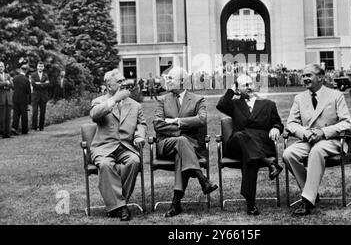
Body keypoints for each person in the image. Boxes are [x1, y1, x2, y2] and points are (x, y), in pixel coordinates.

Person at [282, 64, 351, 216]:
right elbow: (291, 123)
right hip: (309, 139)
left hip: (331, 141)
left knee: (317, 150)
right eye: (304, 75)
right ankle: (311, 190)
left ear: (320, 77)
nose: (305, 78)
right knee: (288, 153)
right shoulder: (299, 98)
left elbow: (346, 123)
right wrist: (305, 132)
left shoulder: (335, 95)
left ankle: (307, 200)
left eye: (309, 75)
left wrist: (323, 132)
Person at [153, 67, 217, 218]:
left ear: (182, 81)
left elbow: (202, 120)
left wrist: (177, 121)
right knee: (182, 140)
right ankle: (202, 179)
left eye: (170, 78)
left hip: (188, 147)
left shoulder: (197, 99)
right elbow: (157, 124)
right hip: (166, 143)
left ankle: (176, 203)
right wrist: (181, 128)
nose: (167, 81)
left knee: (181, 155)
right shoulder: (162, 100)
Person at [216, 74, 284, 215]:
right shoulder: (234, 104)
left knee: (250, 160)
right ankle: (269, 163)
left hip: (259, 146)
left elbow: (277, 122)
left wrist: (276, 128)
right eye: (244, 85)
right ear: (238, 89)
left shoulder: (268, 104)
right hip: (237, 145)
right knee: (240, 135)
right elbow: (220, 105)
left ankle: (251, 204)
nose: (249, 87)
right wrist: (231, 91)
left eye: (250, 84)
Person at [90, 69, 147, 221]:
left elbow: (142, 124)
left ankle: (116, 205)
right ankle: (121, 207)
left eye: (124, 81)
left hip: (126, 147)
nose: (124, 84)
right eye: (119, 81)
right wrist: (114, 99)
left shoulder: (135, 105)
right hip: (104, 147)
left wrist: (139, 136)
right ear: (109, 86)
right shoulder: (99, 101)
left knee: (134, 161)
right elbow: (95, 115)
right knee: (105, 165)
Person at [11, 64, 31, 135]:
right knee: (24, 115)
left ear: (20, 69)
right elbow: (28, 91)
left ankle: (14, 128)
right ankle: (24, 130)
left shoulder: (15, 78)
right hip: (23, 99)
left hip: (15, 99)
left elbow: (12, 88)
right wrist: (29, 102)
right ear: (26, 71)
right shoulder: (26, 80)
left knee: (15, 115)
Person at [30, 61, 50, 131]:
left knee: (42, 112)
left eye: (42, 66)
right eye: (39, 66)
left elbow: (48, 84)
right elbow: (33, 84)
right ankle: (34, 127)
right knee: (35, 112)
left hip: (43, 96)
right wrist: (43, 84)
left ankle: (41, 127)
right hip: (35, 96)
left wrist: (39, 83)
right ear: (37, 67)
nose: (40, 67)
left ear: (43, 67)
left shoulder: (46, 75)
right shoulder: (33, 75)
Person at [0, 61, 14, 139]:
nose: (0, 68)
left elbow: (11, 84)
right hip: (1, 100)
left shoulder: (8, 75)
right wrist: (6, 83)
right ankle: (2, 133)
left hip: (8, 99)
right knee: (1, 118)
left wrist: (4, 84)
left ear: (4, 67)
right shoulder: (7, 78)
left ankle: (7, 134)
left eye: (2, 66)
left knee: (8, 117)